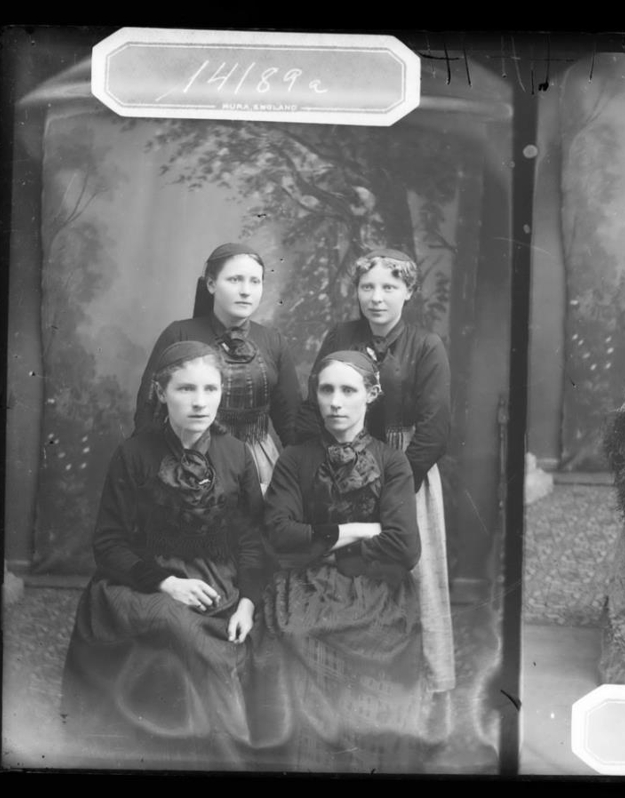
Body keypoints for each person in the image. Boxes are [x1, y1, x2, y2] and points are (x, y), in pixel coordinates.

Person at [60, 341, 266, 768]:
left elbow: (251, 540)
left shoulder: (236, 454)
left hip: (220, 580)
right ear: (161, 392)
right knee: (186, 632)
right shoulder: (134, 454)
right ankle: (232, 761)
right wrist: (167, 583)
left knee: (253, 640)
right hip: (146, 582)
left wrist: (248, 601)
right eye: (186, 389)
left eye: (210, 389)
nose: (199, 401)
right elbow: (109, 544)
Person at [293, 248, 455, 707]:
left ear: (409, 291)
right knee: (333, 567)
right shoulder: (340, 336)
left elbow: (435, 431)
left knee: (414, 573)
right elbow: (313, 408)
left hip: (406, 469)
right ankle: (334, 683)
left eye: (389, 287)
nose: (377, 298)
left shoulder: (426, 346)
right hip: (339, 467)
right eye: (367, 287)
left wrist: (392, 487)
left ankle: (422, 691)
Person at [250, 350, 426, 771]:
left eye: (348, 390)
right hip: (306, 585)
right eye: (326, 390)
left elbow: (404, 547)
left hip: (374, 588)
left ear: (371, 394)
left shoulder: (391, 462)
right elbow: (280, 535)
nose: (335, 402)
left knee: (384, 645)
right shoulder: (295, 459)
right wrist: (358, 530)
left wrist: (320, 541)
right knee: (292, 634)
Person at [135, 242, 301, 493]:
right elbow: (148, 410)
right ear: (211, 284)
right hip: (186, 458)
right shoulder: (179, 334)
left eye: (255, 282)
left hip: (257, 462)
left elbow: (291, 422)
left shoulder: (273, 341)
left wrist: (297, 479)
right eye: (235, 280)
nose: (245, 291)